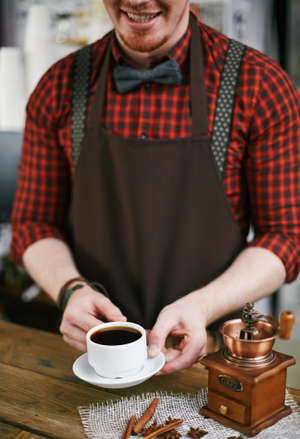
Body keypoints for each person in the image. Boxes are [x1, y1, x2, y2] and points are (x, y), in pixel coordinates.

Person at [11, 0, 300, 375]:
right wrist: (71, 290)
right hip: (92, 360)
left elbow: (285, 236)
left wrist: (201, 307)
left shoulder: (260, 85)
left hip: (211, 358)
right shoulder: (59, 86)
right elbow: (33, 224)